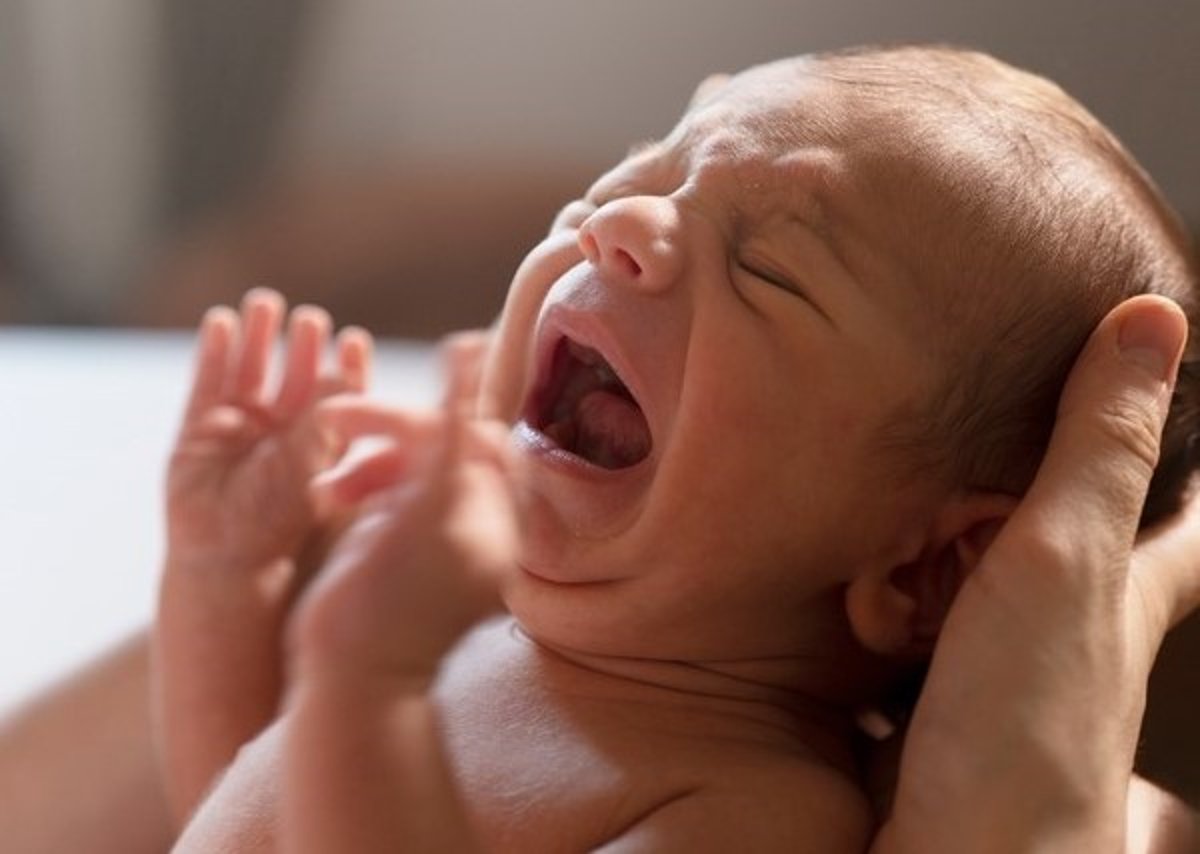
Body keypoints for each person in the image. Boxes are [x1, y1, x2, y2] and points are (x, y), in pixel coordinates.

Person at [152, 45, 1200, 851]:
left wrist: (367, 676)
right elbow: (234, 810)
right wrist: (224, 575)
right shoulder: (467, 616)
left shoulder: (745, 805)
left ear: (923, 568)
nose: (624, 229)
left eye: (772, 273)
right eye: (627, 182)